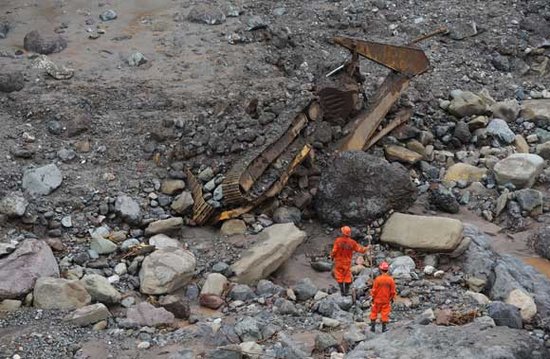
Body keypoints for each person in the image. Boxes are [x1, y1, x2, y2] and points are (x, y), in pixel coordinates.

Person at [330, 226, 368, 296]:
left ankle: (342, 291)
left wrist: (332, 256)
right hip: (347, 262)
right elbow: (360, 249)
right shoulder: (352, 243)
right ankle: (346, 292)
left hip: (339, 261)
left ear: (342, 233)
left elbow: (334, 251)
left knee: (339, 276)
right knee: (347, 276)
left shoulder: (338, 241)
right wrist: (367, 248)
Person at [370, 261, 396, 333]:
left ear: (380, 270)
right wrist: (392, 298)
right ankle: (384, 328)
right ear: (387, 270)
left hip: (377, 300)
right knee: (385, 313)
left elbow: (374, 290)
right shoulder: (391, 280)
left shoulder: (377, 279)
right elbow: (393, 291)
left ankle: (372, 328)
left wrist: (372, 297)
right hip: (386, 300)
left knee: (374, 312)